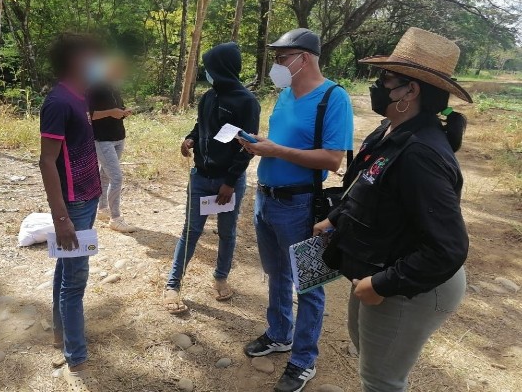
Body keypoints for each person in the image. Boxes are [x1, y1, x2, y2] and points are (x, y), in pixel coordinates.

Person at [313, 27, 471, 391]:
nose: (376, 85)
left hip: (410, 285)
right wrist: (335, 218)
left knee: (381, 381)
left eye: (385, 78)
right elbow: (369, 186)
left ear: (410, 90)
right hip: (377, 268)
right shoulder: (390, 130)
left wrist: (384, 283)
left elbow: (448, 247)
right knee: (369, 358)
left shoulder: (420, 153)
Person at [240, 28, 354, 392]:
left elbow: (333, 159)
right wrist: (259, 145)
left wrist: (276, 151)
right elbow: (282, 142)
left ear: (303, 58)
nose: (275, 64)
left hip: (301, 204)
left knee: (309, 285)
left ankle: (303, 360)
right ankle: (278, 334)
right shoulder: (285, 95)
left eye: (280, 57)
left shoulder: (333, 98)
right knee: (276, 274)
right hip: (265, 198)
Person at [163, 42, 260, 314]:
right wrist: (190, 138)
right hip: (200, 178)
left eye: (210, 67)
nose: (207, 72)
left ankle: (220, 276)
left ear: (223, 68)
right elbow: (200, 125)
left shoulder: (247, 101)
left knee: (227, 233)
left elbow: (247, 145)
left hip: (227, 183)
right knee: (191, 231)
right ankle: (173, 284)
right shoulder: (208, 96)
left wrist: (230, 182)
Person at [38, 32, 102, 392]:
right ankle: (76, 356)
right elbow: (47, 161)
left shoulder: (82, 96)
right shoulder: (59, 102)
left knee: (67, 267)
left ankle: (63, 334)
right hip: (73, 206)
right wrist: (61, 218)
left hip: (88, 197)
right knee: (76, 278)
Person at [88, 58, 137, 233]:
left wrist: (123, 113)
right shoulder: (93, 89)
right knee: (116, 176)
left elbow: (117, 110)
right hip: (102, 139)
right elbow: (89, 114)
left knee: (105, 173)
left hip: (118, 136)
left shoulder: (114, 88)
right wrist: (111, 112)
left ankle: (102, 209)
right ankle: (115, 218)